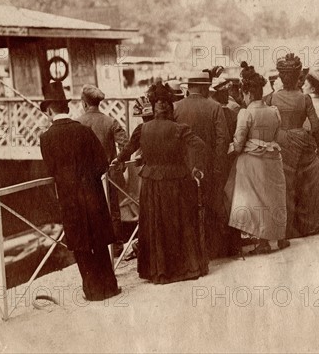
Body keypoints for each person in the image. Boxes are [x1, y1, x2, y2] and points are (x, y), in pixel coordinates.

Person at [113, 83, 207, 283]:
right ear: (169, 107)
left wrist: (119, 159)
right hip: (176, 182)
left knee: (155, 225)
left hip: (152, 184)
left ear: (154, 106)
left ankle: (159, 270)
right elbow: (200, 146)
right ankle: (182, 268)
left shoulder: (142, 128)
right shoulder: (180, 129)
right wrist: (194, 165)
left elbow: (129, 148)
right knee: (177, 223)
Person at [39, 81, 119, 301]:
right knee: (99, 242)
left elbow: (51, 170)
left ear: (49, 110)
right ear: (66, 108)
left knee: (81, 246)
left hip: (69, 198)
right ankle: (109, 287)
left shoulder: (45, 138)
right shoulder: (83, 131)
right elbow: (102, 163)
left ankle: (92, 291)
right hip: (92, 193)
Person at [267, 53, 319, 238]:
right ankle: (312, 223)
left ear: (281, 77)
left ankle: (287, 228)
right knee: (314, 178)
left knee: (286, 183)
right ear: (297, 76)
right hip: (302, 140)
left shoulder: (271, 98)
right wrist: (304, 134)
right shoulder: (304, 98)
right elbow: (315, 126)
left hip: (280, 140)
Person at [225, 63, 289, 255]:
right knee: (274, 198)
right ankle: (278, 237)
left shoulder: (246, 113)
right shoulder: (273, 111)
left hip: (252, 161)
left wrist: (232, 148)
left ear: (248, 94)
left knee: (255, 200)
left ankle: (262, 240)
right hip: (273, 158)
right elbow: (276, 136)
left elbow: (238, 143)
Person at [175, 71, 238, 258]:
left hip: (185, 167)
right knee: (212, 205)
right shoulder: (214, 107)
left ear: (189, 87)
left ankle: (192, 250)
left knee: (188, 207)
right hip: (209, 165)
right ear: (204, 88)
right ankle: (214, 249)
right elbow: (223, 138)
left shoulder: (176, 107)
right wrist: (218, 164)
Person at [76, 84, 128, 257]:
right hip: (108, 174)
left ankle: (96, 248)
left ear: (84, 103)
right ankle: (117, 247)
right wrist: (120, 161)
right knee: (113, 210)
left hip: (86, 177)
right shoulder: (109, 121)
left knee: (90, 210)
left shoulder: (78, 123)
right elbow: (125, 142)